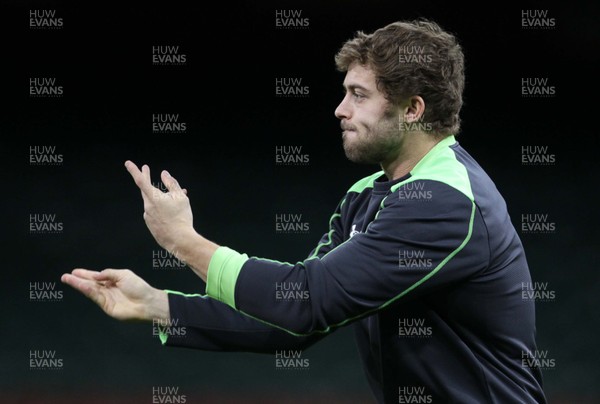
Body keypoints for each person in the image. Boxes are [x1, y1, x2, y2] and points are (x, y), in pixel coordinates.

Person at [61, 19, 547, 403]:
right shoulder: (369, 193)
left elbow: (303, 302)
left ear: (413, 109)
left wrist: (183, 243)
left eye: (358, 95)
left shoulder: (446, 202)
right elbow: (291, 323)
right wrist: (155, 305)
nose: (340, 109)